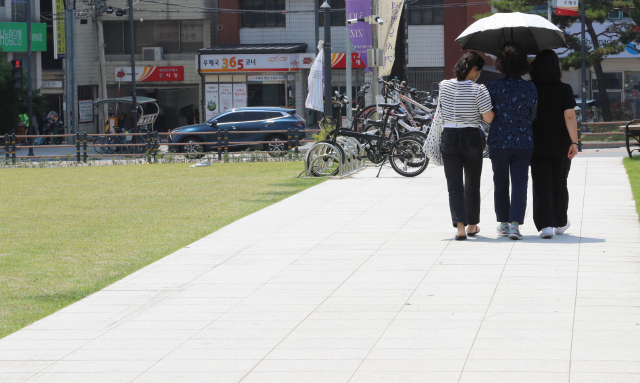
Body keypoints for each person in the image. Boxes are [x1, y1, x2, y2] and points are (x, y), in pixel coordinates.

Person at [439, 52, 494, 240]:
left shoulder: (444, 86)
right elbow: (488, 118)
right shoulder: (479, 90)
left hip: (449, 136)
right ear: (475, 69)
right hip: (471, 136)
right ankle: (472, 226)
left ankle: (460, 228)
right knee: (472, 183)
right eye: (479, 70)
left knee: (454, 185)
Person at [486, 42, 538, 240]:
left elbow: (488, 114)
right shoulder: (530, 87)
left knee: (500, 182)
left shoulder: (493, 86)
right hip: (523, 140)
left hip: (498, 140)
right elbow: (533, 115)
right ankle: (515, 225)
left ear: (501, 64)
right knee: (520, 183)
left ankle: (503, 224)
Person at [529, 50, 578, 238]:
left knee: (541, 182)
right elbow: (570, 116)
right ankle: (560, 221)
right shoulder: (564, 89)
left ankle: (545, 225)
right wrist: (574, 141)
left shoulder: (530, 88)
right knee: (559, 181)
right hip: (561, 144)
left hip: (537, 142)